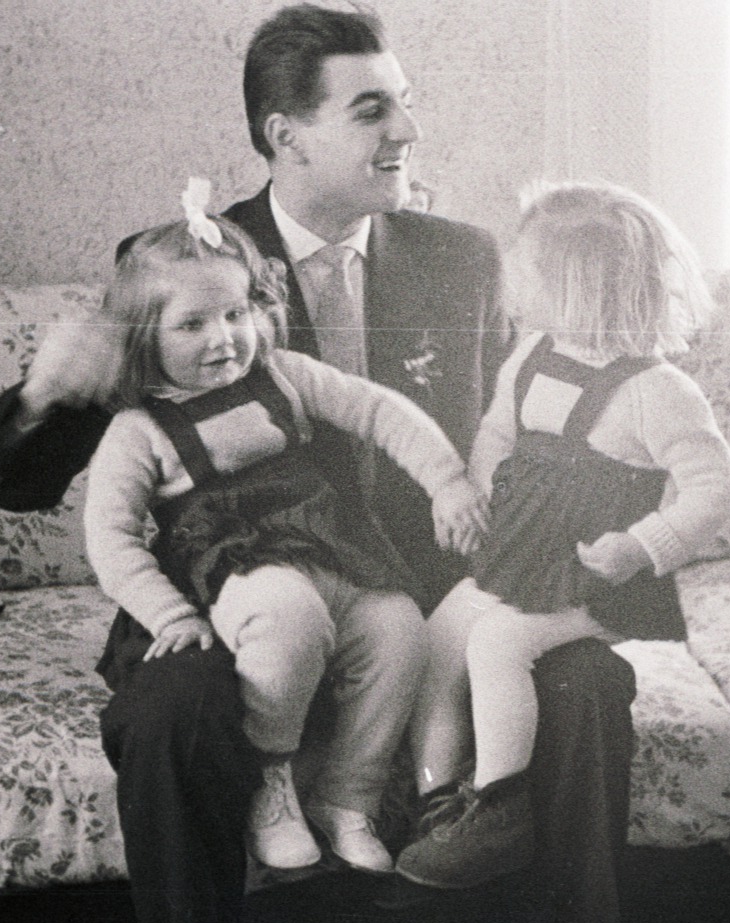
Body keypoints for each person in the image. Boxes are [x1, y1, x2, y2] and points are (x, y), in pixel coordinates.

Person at [0, 8, 636, 923]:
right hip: (227, 596)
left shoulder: (465, 260)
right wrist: (48, 393)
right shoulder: (190, 261)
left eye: (405, 102)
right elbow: (17, 483)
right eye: (373, 109)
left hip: (410, 601)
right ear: (287, 136)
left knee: (589, 686)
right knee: (170, 711)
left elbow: (524, 437)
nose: (406, 131)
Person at [83, 194, 485, 873]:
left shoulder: (281, 374)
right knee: (287, 615)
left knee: (398, 626)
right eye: (193, 324)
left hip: (328, 543)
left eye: (236, 313)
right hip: (228, 565)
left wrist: (445, 479)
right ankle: (269, 782)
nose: (224, 338)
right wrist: (168, 614)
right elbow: (110, 536)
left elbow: (378, 410)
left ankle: (346, 795)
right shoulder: (140, 429)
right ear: (144, 337)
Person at [398, 181, 730, 890]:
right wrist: (483, 490)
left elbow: (715, 488)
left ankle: (500, 804)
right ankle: (437, 794)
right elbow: (497, 428)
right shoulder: (530, 354)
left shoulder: (657, 390)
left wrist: (641, 546)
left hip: (594, 577)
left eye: (525, 278)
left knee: (497, 643)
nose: (511, 293)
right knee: (438, 635)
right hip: (518, 553)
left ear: (579, 287)